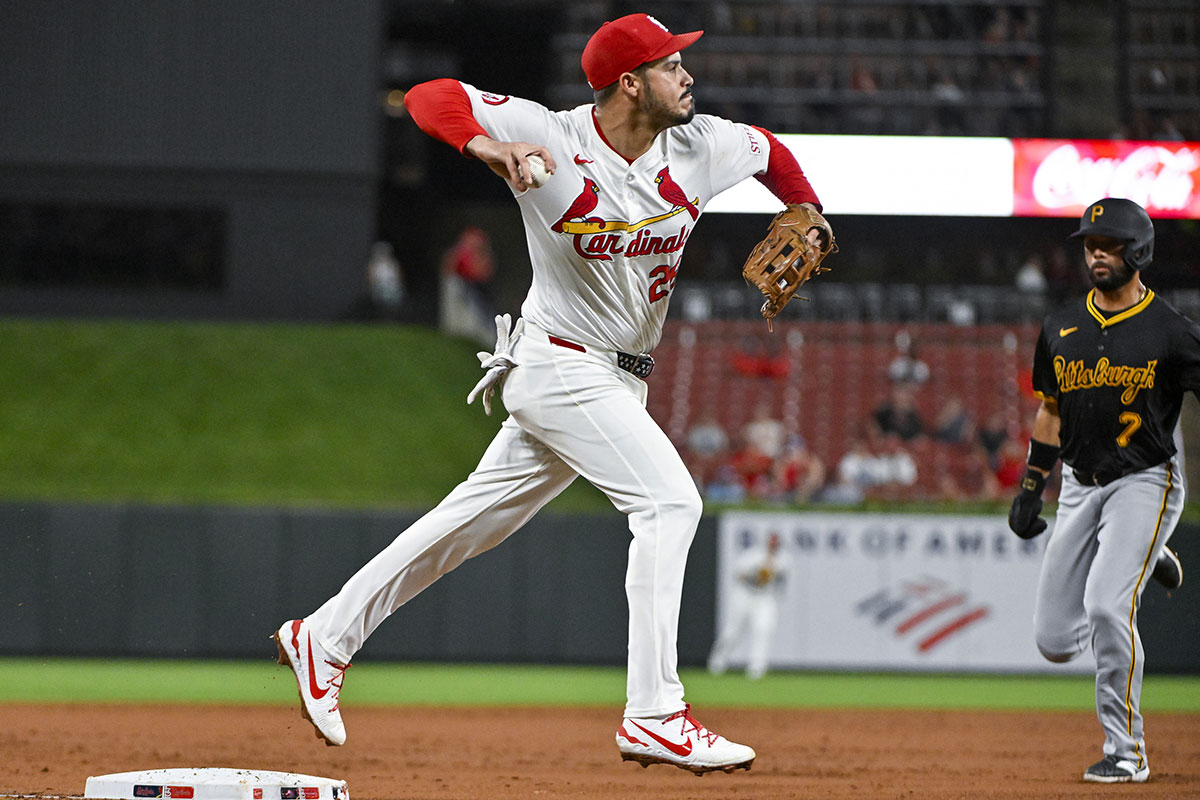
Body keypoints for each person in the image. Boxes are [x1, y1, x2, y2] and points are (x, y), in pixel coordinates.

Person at [272, 12, 832, 776]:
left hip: (617, 378)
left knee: (471, 522)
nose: (687, 75)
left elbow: (771, 154)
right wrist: (487, 146)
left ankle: (325, 637)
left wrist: (808, 209)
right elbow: (433, 96)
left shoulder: (699, 146)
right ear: (630, 83)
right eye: (671, 65)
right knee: (670, 504)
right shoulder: (553, 135)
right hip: (559, 362)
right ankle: (656, 713)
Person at [1007, 197, 1195, 784]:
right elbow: (1050, 412)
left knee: (1107, 606)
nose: (1096, 254)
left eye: (1108, 245)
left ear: (1137, 251)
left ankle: (1126, 751)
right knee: (1054, 640)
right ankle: (1145, 552)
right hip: (1081, 487)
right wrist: (1032, 487)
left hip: (1145, 479)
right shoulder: (1061, 325)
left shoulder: (1172, 330)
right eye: (1090, 245)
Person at [708, 532, 790, 680]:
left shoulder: (784, 559)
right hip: (745, 594)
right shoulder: (753, 555)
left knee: (764, 630)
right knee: (733, 631)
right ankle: (717, 663)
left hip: (765, 596)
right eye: (772, 541)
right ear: (767, 542)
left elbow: (781, 583)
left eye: (776, 542)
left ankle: (756, 668)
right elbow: (738, 574)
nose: (773, 544)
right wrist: (756, 574)